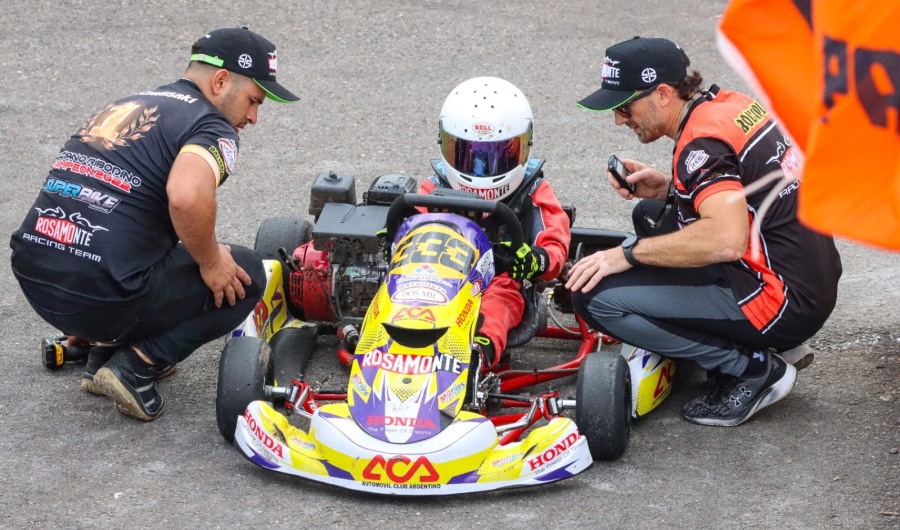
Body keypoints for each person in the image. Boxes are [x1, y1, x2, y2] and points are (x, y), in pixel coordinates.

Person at [9, 27, 300, 422]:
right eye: (253, 100)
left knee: (156, 242)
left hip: (38, 278)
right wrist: (213, 262)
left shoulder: (128, 103)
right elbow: (185, 196)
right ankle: (136, 366)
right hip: (100, 296)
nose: (252, 117)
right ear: (220, 82)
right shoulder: (211, 126)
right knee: (244, 275)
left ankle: (101, 352)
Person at [567, 36, 842, 427]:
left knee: (593, 297)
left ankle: (752, 368)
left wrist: (625, 255)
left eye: (624, 106)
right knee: (652, 214)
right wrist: (668, 188)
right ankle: (770, 343)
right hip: (807, 279)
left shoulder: (702, 145)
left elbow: (725, 239)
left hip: (779, 301)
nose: (618, 119)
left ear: (661, 93)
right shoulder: (729, 106)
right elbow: (745, 194)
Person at [419, 76, 571, 365]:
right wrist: (396, 239)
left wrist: (536, 259)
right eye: (469, 155)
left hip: (501, 281)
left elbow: (554, 241)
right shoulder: (434, 189)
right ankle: (378, 349)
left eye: (495, 156)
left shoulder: (534, 191)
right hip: (435, 278)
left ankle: (474, 359)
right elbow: (413, 227)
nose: (481, 168)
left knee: (497, 307)